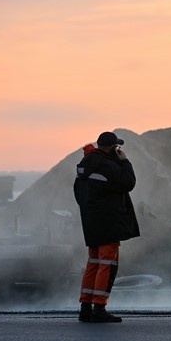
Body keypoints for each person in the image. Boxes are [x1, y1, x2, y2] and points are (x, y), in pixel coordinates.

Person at [73, 131, 140, 323]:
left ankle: (85, 307)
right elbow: (128, 183)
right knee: (107, 264)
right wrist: (125, 162)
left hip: (91, 223)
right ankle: (99, 308)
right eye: (117, 147)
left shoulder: (86, 164)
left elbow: (78, 193)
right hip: (109, 223)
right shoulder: (108, 166)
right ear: (111, 148)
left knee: (94, 263)